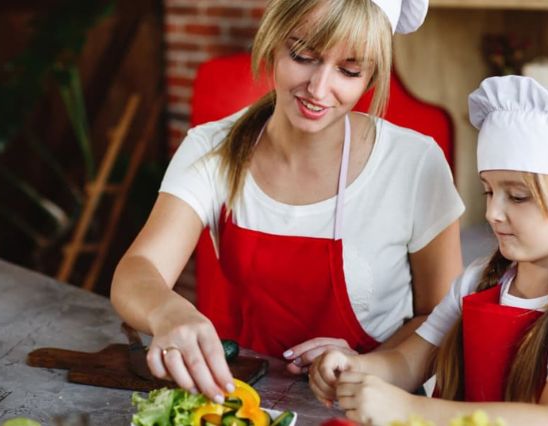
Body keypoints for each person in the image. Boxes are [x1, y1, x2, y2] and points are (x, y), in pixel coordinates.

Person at [110, 0, 464, 404]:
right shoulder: (213, 149)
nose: (318, 89)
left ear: (371, 77)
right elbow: (139, 269)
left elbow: (442, 319)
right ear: (273, 41)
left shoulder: (414, 163)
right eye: (303, 56)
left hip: (369, 405)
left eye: (349, 70)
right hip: (240, 399)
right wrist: (169, 313)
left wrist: (371, 366)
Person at [310, 72, 548, 426]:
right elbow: (408, 363)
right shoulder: (475, 284)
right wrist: (356, 368)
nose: (492, 213)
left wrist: (411, 409)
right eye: (489, 191)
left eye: (518, 196)